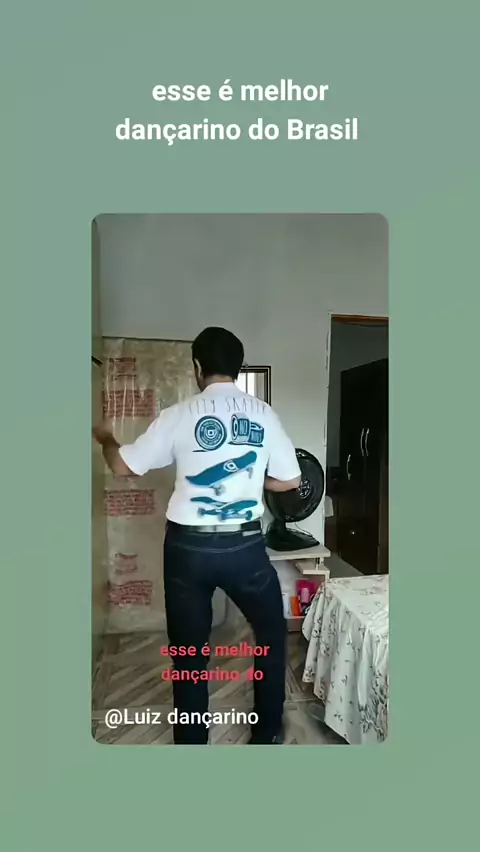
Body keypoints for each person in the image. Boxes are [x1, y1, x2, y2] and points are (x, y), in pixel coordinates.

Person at [93, 327, 301, 744]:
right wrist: (251, 480)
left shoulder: (178, 415)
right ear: (238, 368)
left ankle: (191, 744)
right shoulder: (262, 414)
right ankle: (267, 733)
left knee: (189, 652)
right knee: (271, 635)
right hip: (244, 548)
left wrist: (106, 438)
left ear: (197, 367)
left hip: (188, 550)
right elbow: (291, 480)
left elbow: (122, 466)